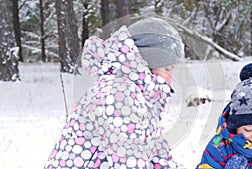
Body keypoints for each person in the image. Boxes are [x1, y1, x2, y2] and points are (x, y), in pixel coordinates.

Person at [44, 17, 185, 169]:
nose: (170, 80)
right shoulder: (118, 95)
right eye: (166, 69)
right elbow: (130, 163)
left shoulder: (138, 98)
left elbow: (155, 156)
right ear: (147, 63)